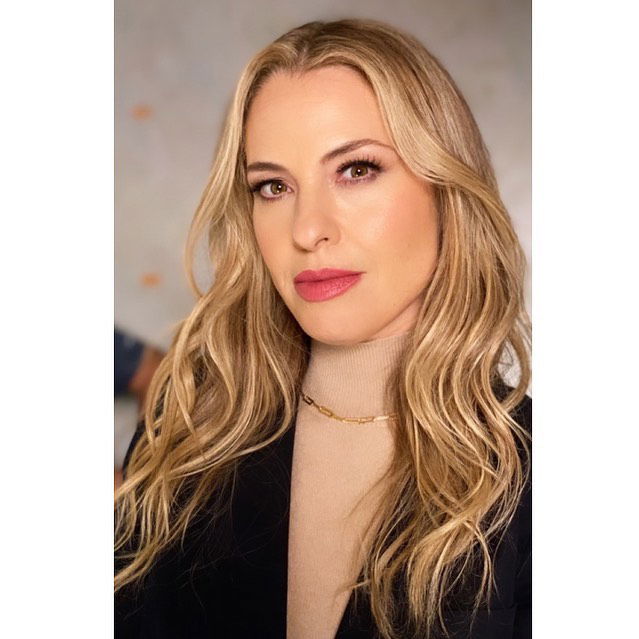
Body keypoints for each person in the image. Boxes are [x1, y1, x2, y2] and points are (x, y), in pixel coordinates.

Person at [115, 18, 532, 639]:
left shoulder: (539, 473)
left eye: (356, 170)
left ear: (446, 188)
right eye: (273, 186)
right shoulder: (190, 425)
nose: (308, 229)